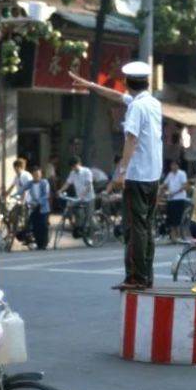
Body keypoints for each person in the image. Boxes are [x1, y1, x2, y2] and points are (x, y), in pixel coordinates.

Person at [70, 61, 163, 289]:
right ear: (147, 82)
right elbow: (116, 96)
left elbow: (131, 139)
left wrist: (120, 171)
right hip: (153, 175)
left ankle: (135, 277)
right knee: (146, 226)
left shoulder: (136, 108)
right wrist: (91, 85)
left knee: (134, 228)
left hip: (138, 176)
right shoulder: (152, 103)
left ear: (126, 82)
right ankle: (146, 276)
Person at [57, 155, 95, 236]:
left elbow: (89, 186)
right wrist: (60, 190)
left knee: (89, 216)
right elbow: (68, 183)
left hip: (89, 198)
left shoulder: (86, 171)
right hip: (79, 199)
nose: (74, 168)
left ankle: (93, 233)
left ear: (79, 163)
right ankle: (77, 226)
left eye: (75, 165)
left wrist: (83, 195)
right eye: (72, 166)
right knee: (70, 207)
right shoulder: (72, 173)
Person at [22, 164, 52, 250]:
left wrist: (38, 202)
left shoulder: (44, 182)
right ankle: (39, 244)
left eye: (38, 175)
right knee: (35, 226)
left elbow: (46, 195)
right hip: (34, 207)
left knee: (43, 226)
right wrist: (15, 194)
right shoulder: (30, 183)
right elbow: (23, 189)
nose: (36, 177)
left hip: (43, 207)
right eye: (34, 175)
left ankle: (44, 244)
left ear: (41, 175)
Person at [161, 159, 190, 243]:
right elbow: (165, 184)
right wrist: (159, 188)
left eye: (175, 165)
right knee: (171, 218)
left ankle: (178, 236)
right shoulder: (170, 175)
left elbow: (184, 186)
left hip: (179, 198)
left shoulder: (182, 174)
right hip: (171, 199)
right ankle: (173, 237)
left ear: (178, 166)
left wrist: (174, 193)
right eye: (172, 165)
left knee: (178, 218)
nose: (173, 166)